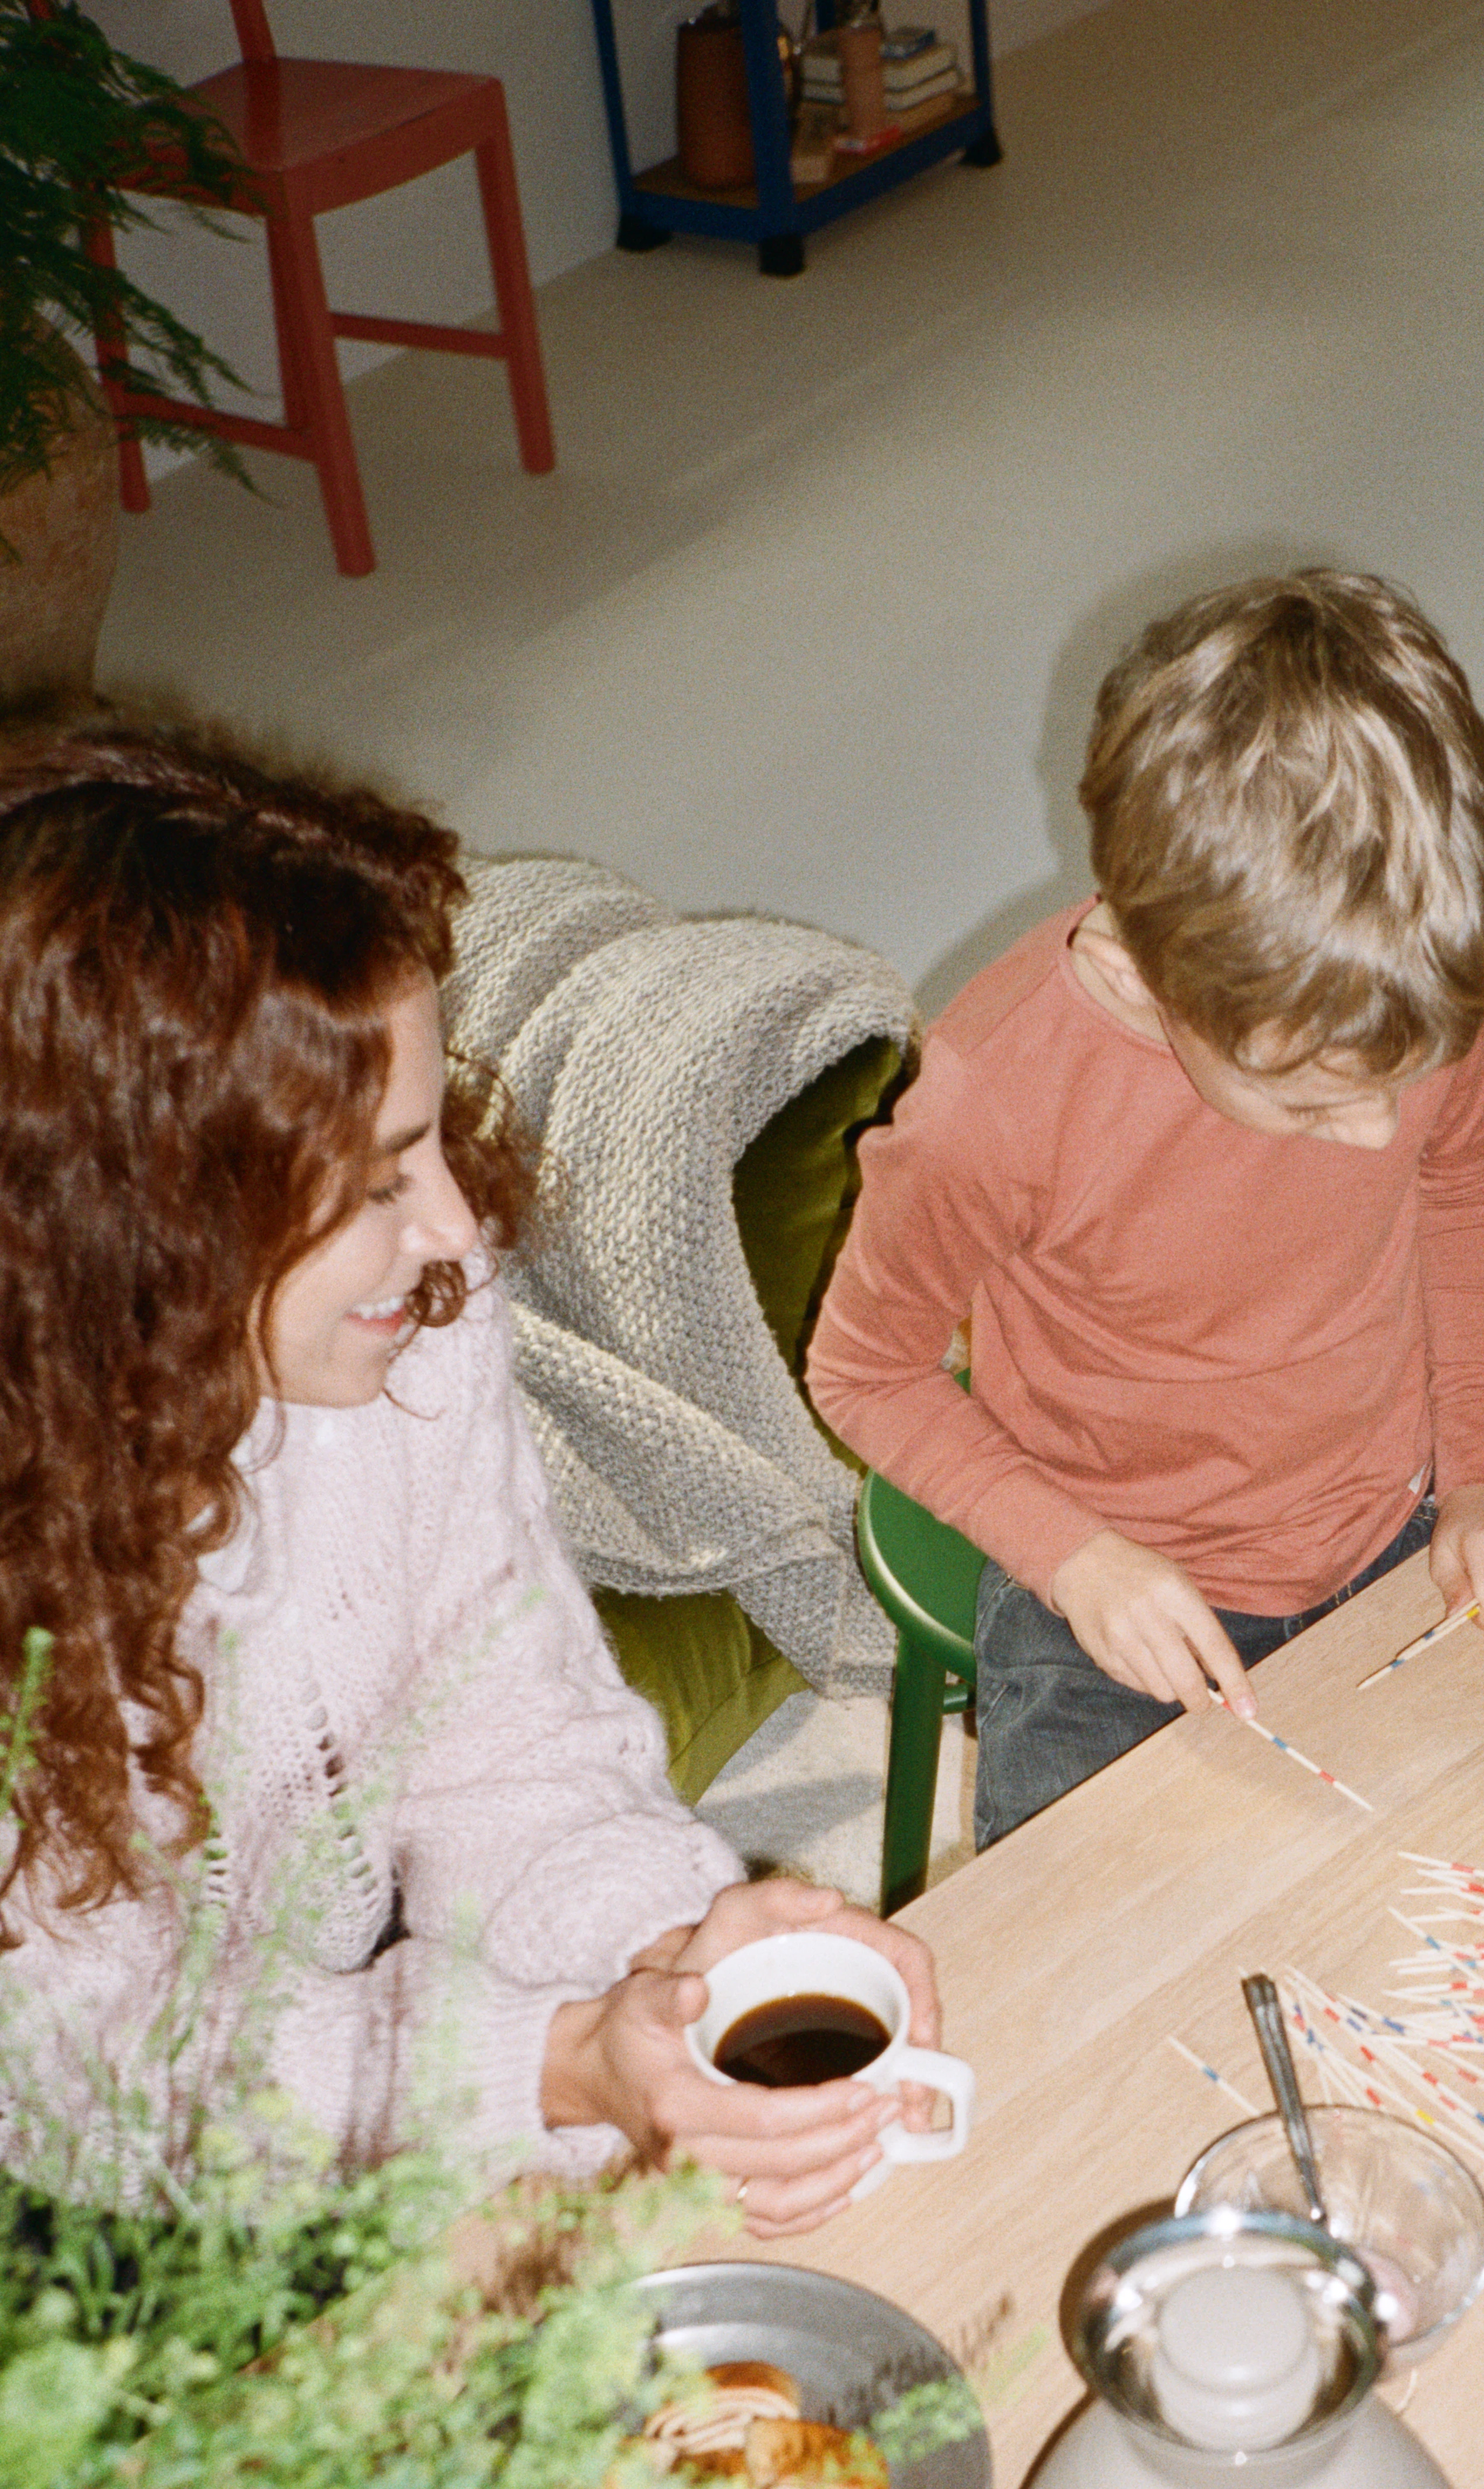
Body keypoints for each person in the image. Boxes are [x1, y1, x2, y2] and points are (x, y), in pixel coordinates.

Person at [0, 722, 938, 2231]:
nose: (456, 1229)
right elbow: (93, 2067)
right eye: (377, 1181)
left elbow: (509, 1750)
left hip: (316, 2098)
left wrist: (673, 1948)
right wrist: (549, 2067)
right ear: (131, 1227)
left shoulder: (412, 1334)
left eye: (431, 1141)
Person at [806, 570, 1484, 1848]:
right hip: (1105, 1581)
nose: (1378, 1134)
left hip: (1388, 1523)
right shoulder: (993, 1107)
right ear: (1132, 972)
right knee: (1078, 1970)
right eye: (1313, 1101)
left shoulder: (1406, 984)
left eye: (1400, 1083)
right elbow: (863, 1372)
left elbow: (1463, 1182)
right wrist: (1074, 1560)